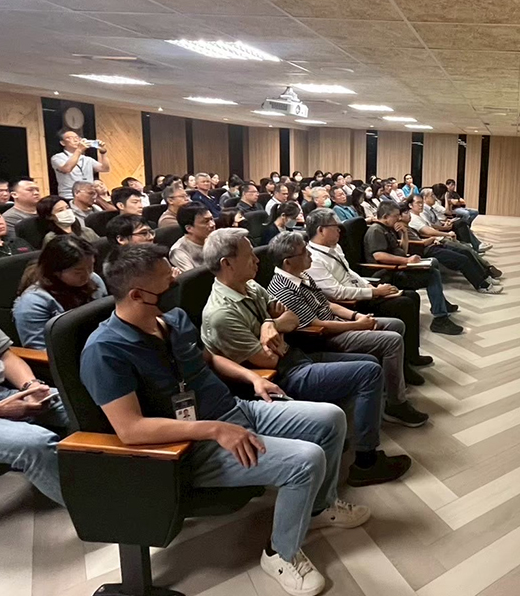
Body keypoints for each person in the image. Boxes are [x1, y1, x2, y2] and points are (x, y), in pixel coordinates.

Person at [83, 245, 370, 595]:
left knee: (330, 418)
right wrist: (214, 429)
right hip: (193, 446)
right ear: (137, 295)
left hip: (234, 409)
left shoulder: (172, 320)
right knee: (305, 461)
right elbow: (130, 429)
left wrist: (252, 379)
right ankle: (281, 553)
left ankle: (320, 507)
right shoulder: (105, 350)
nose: (176, 280)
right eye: (167, 279)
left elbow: (209, 359)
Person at [199, 229, 414, 486]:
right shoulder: (221, 313)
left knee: (369, 363)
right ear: (227, 264)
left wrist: (270, 324)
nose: (257, 261)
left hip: (295, 356)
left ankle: (348, 437)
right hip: (279, 377)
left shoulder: (251, 286)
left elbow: (291, 318)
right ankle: (366, 462)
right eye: (249, 256)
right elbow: (268, 361)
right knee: (368, 372)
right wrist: (275, 326)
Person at [267, 231, 429, 427]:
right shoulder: (283, 289)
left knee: (396, 324)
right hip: (324, 338)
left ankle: (392, 385)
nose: (309, 254)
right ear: (288, 262)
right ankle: (396, 404)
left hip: (338, 323)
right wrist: (356, 326)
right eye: (304, 252)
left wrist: (356, 316)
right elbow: (315, 325)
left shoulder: (302, 275)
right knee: (392, 340)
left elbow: (327, 304)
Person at [305, 209, 435, 382]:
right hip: (349, 302)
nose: (339, 230)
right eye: (335, 227)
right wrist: (373, 292)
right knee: (403, 304)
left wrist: (371, 286)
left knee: (412, 296)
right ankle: (402, 367)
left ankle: (412, 354)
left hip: (361, 292)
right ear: (321, 230)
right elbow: (335, 292)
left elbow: (350, 272)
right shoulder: (313, 258)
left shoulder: (334, 247)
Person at [0, 299, 68, 505]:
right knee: (36, 443)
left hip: (2, 393)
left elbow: (5, 355)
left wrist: (31, 386)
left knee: (86, 406)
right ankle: (93, 513)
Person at [365, 201, 463, 335]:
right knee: (432, 275)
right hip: (388, 273)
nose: (398, 218)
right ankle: (440, 318)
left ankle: (441, 305)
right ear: (386, 216)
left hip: (398, 267)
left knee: (433, 263)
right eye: (395, 216)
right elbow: (379, 256)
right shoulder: (376, 230)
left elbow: (402, 251)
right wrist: (407, 260)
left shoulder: (388, 229)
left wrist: (404, 234)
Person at [13, 236, 107, 350]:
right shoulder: (33, 303)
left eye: (91, 267)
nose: (87, 275)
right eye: (78, 271)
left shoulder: (94, 280)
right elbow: (40, 350)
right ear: (55, 271)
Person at [398, 203, 500, 295]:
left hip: (433, 245)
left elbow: (420, 237)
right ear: (399, 217)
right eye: (406, 213)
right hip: (427, 251)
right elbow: (412, 244)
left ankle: (485, 277)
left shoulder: (408, 227)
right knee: (462, 260)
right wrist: (431, 239)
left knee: (465, 251)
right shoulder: (401, 229)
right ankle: (482, 285)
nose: (409, 215)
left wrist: (431, 240)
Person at [408, 194, 501, 279]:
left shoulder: (420, 215)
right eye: (418, 203)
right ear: (410, 205)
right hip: (436, 240)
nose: (421, 205)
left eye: (421, 203)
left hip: (438, 237)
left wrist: (445, 226)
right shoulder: (413, 218)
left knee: (466, 246)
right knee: (466, 249)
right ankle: (486, 271)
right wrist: (446, 233)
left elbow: (431, 225)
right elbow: (427, 231)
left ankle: (486, 270)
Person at [418, 188, 493, 254]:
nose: (434, 198)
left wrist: (445, 223)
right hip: (437, 231)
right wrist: (444, 228)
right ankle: (474, 247)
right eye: (432, 195)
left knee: (461, 222)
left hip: (441, 226)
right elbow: (430, 225)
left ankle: (475, 246)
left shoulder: (430, 208)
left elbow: (434, 221)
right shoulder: (423, 210)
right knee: (461, 222)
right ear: (424, 198)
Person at [50, 129, 110, 200]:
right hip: (69, 196)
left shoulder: (86, 159)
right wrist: (79, 150)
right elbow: (67, 169)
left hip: (89, 195)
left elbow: (105, 168)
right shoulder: (57, 157)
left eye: (77, 137)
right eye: (69, 138)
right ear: (62, 143)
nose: (75, 140)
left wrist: (103, 153)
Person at [169, 203, 213, 273]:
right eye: (206, 222)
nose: (212, 224)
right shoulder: (179, 251)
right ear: (189, 228)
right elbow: (193, 277)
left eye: (212, 219)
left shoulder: (217, 239)